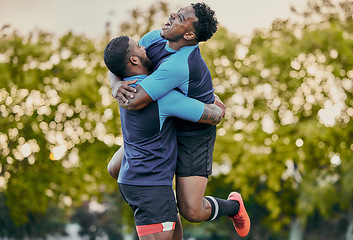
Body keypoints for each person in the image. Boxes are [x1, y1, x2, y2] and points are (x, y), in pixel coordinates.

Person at [109, 3, 250, 237]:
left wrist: (212, 105)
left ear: (189, 34)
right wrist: (115, 83)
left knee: (192, 210)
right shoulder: (153, 38)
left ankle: (234, 206)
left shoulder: (179, 65)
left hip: (194, 130)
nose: (172, 15)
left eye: (180, 17)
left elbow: (133, 101)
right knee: (115, 168)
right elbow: (118, 56)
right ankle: (162, 206)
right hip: (163, 122)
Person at [103, 35, 224, 240]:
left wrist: (114, 83)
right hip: (149, 187)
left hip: (146, 182)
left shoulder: (124, 87)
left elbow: (113, 66)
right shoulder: (162, 97)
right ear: (133, 60)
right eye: (139, 47)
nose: (145, 47)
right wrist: (215, 104)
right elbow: (213, 116)